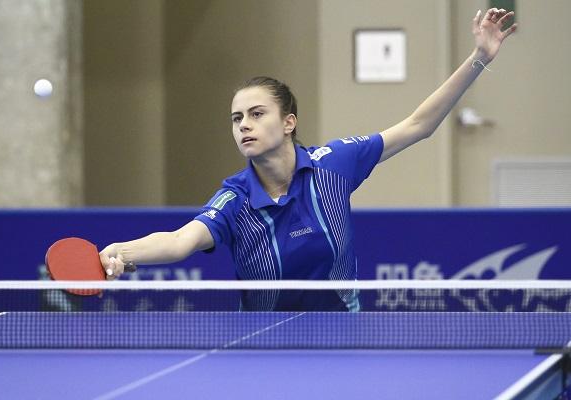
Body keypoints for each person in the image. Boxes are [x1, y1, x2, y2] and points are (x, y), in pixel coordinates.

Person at [100, 9, 517, 311]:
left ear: (288, 122)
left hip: (342, 335)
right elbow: (177, 242)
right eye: (236, 118)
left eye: (257, 114)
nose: (244, 125)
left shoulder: (333, 164)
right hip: (261, 344)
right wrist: (122, 250)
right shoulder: (234, 199)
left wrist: (478, 58)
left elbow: (417, 125)